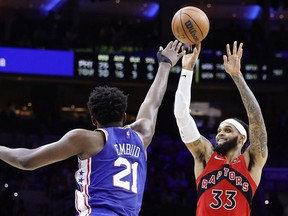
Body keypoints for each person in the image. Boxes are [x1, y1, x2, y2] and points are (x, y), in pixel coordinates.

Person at [0, 40, 187, 216]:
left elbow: (26, 161)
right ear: (123, 116)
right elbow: (152, 103)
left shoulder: (87, 139)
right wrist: (165, 64)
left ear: (93, 119)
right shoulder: (142, 136)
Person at [173, 41, 268, 216]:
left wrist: (237, 76)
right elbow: (181, 115)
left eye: (228, 130)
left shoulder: (251, 162)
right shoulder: (206, 155)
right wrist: (187, 70)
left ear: (242, 138)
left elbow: (256, 118)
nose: (220, 134)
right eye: (219, 131)